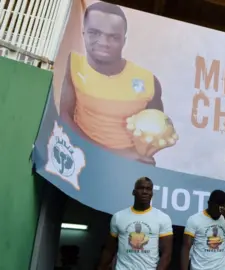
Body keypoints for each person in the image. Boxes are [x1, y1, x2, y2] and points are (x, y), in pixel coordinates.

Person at [59, 2, 177, 164]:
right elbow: (65, 117)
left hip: (125, 168)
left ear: (124, 41)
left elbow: (156, 134)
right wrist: (113, 154)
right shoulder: (74, 64)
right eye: (94, 33)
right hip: (81, 157)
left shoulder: (149, 81)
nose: (103, 42)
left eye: (113, 37)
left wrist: (141, 156)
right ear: (84, 33)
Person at [97, 177, 173, 270]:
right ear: (133, 192)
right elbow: (109, 249)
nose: (145, 191)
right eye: (141, 188)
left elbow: (167, 254)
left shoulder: (163, 218)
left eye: (148, 189)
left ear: (152, 194)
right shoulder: (118, 217)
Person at [181, 190, 225, 270]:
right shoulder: (194, 219)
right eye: (215, 208)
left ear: (224, 206)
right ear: (209, 203)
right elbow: (186, 247)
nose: (217, 212)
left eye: (220, 208)